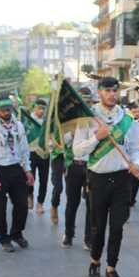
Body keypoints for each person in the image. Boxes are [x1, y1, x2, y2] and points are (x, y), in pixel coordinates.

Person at [72, 77, 139, 277]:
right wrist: (97, 137)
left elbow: (136, 149)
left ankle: (112, 267)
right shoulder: (88, 118)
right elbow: (77, 150)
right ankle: (95, 261)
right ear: (99, 92)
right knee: (98, 226)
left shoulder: (128, 120)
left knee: (117, 226)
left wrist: (137, 163)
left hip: (122, 179)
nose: (112, 94)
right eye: (107, 90)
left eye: (114, 90)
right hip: (98, 178)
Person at [0, 98, 33, 252]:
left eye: (8, 109)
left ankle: (17, 233)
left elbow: (24, 150)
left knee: (22, 205)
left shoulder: (19, 126)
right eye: (3, 109)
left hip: (16, 169)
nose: (6, 112)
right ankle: (4, 238)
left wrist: (28, 170)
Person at [61, 88, 93, 250]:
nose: (85, 104)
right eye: (83, 101)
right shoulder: (71, 120)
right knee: (72, 203)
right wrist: (71, 134)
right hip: (74, 165)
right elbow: (62, 142)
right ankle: (68, 234)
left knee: (91, 204)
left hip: (91, 167)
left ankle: (89, 238)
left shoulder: (95, 118)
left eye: (88, 101)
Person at [26, 99, 49, 215]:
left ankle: (40, 203)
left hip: (44, 153)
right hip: (31, 153)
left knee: (44, 180)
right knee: (31, 178)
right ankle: (29, 195)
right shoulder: (28, 120)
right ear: (34, 108)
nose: (41, 111)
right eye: (39, 108)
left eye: (43, 109)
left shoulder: (47, 121)